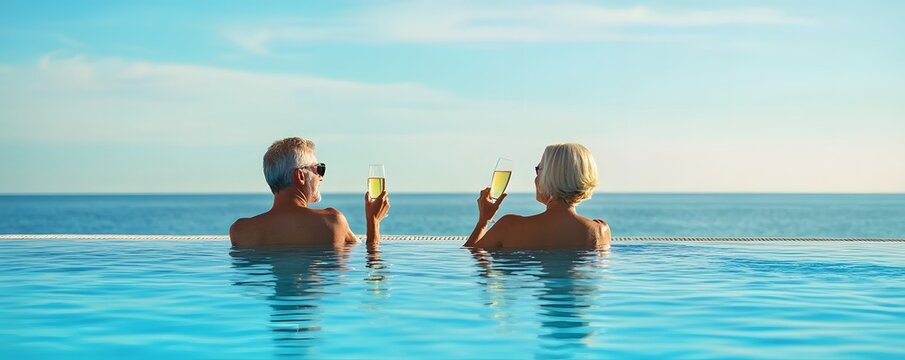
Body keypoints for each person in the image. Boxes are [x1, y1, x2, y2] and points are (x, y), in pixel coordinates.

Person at [230, 137, 390, 249]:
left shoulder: (241, 231)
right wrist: (373, 221)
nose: (320, 177)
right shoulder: (332, 222)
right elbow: (371, 258)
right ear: (300, 176)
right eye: (318, 169)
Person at [464, 143, 610, 249]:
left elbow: (472, 258)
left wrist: (483, 221)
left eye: (538, 170)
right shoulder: (601, 231)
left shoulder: (509, 227)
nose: (535, 178)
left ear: (549, 177)